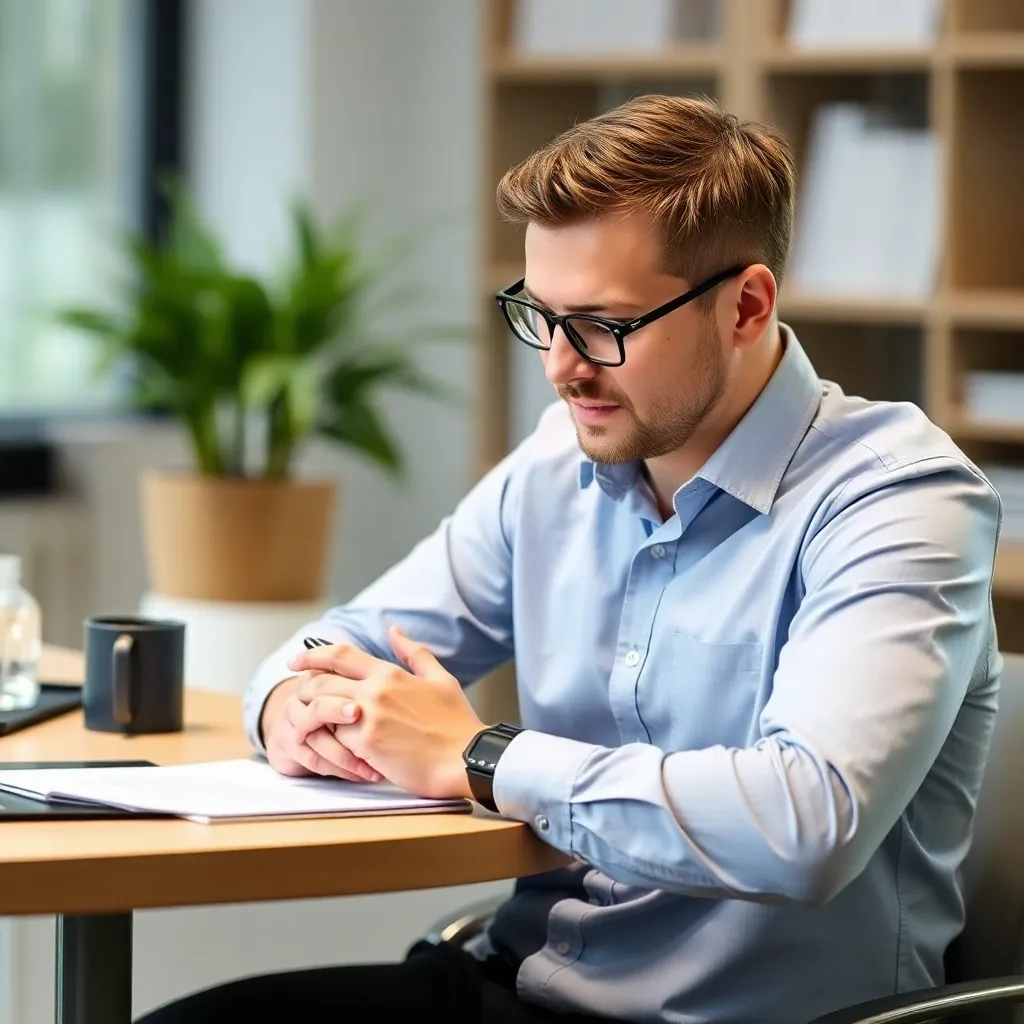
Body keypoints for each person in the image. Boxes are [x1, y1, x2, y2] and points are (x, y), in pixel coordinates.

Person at [140, 94, 1002, 1024]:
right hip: (525, 987)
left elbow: (806, 824)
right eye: (540, 315)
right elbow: (343, 641)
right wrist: (290, 702)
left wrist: (480, 756)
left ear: (747, 305)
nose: (560, 365)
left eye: (603, 326)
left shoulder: (898, 500)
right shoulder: (560, 463)